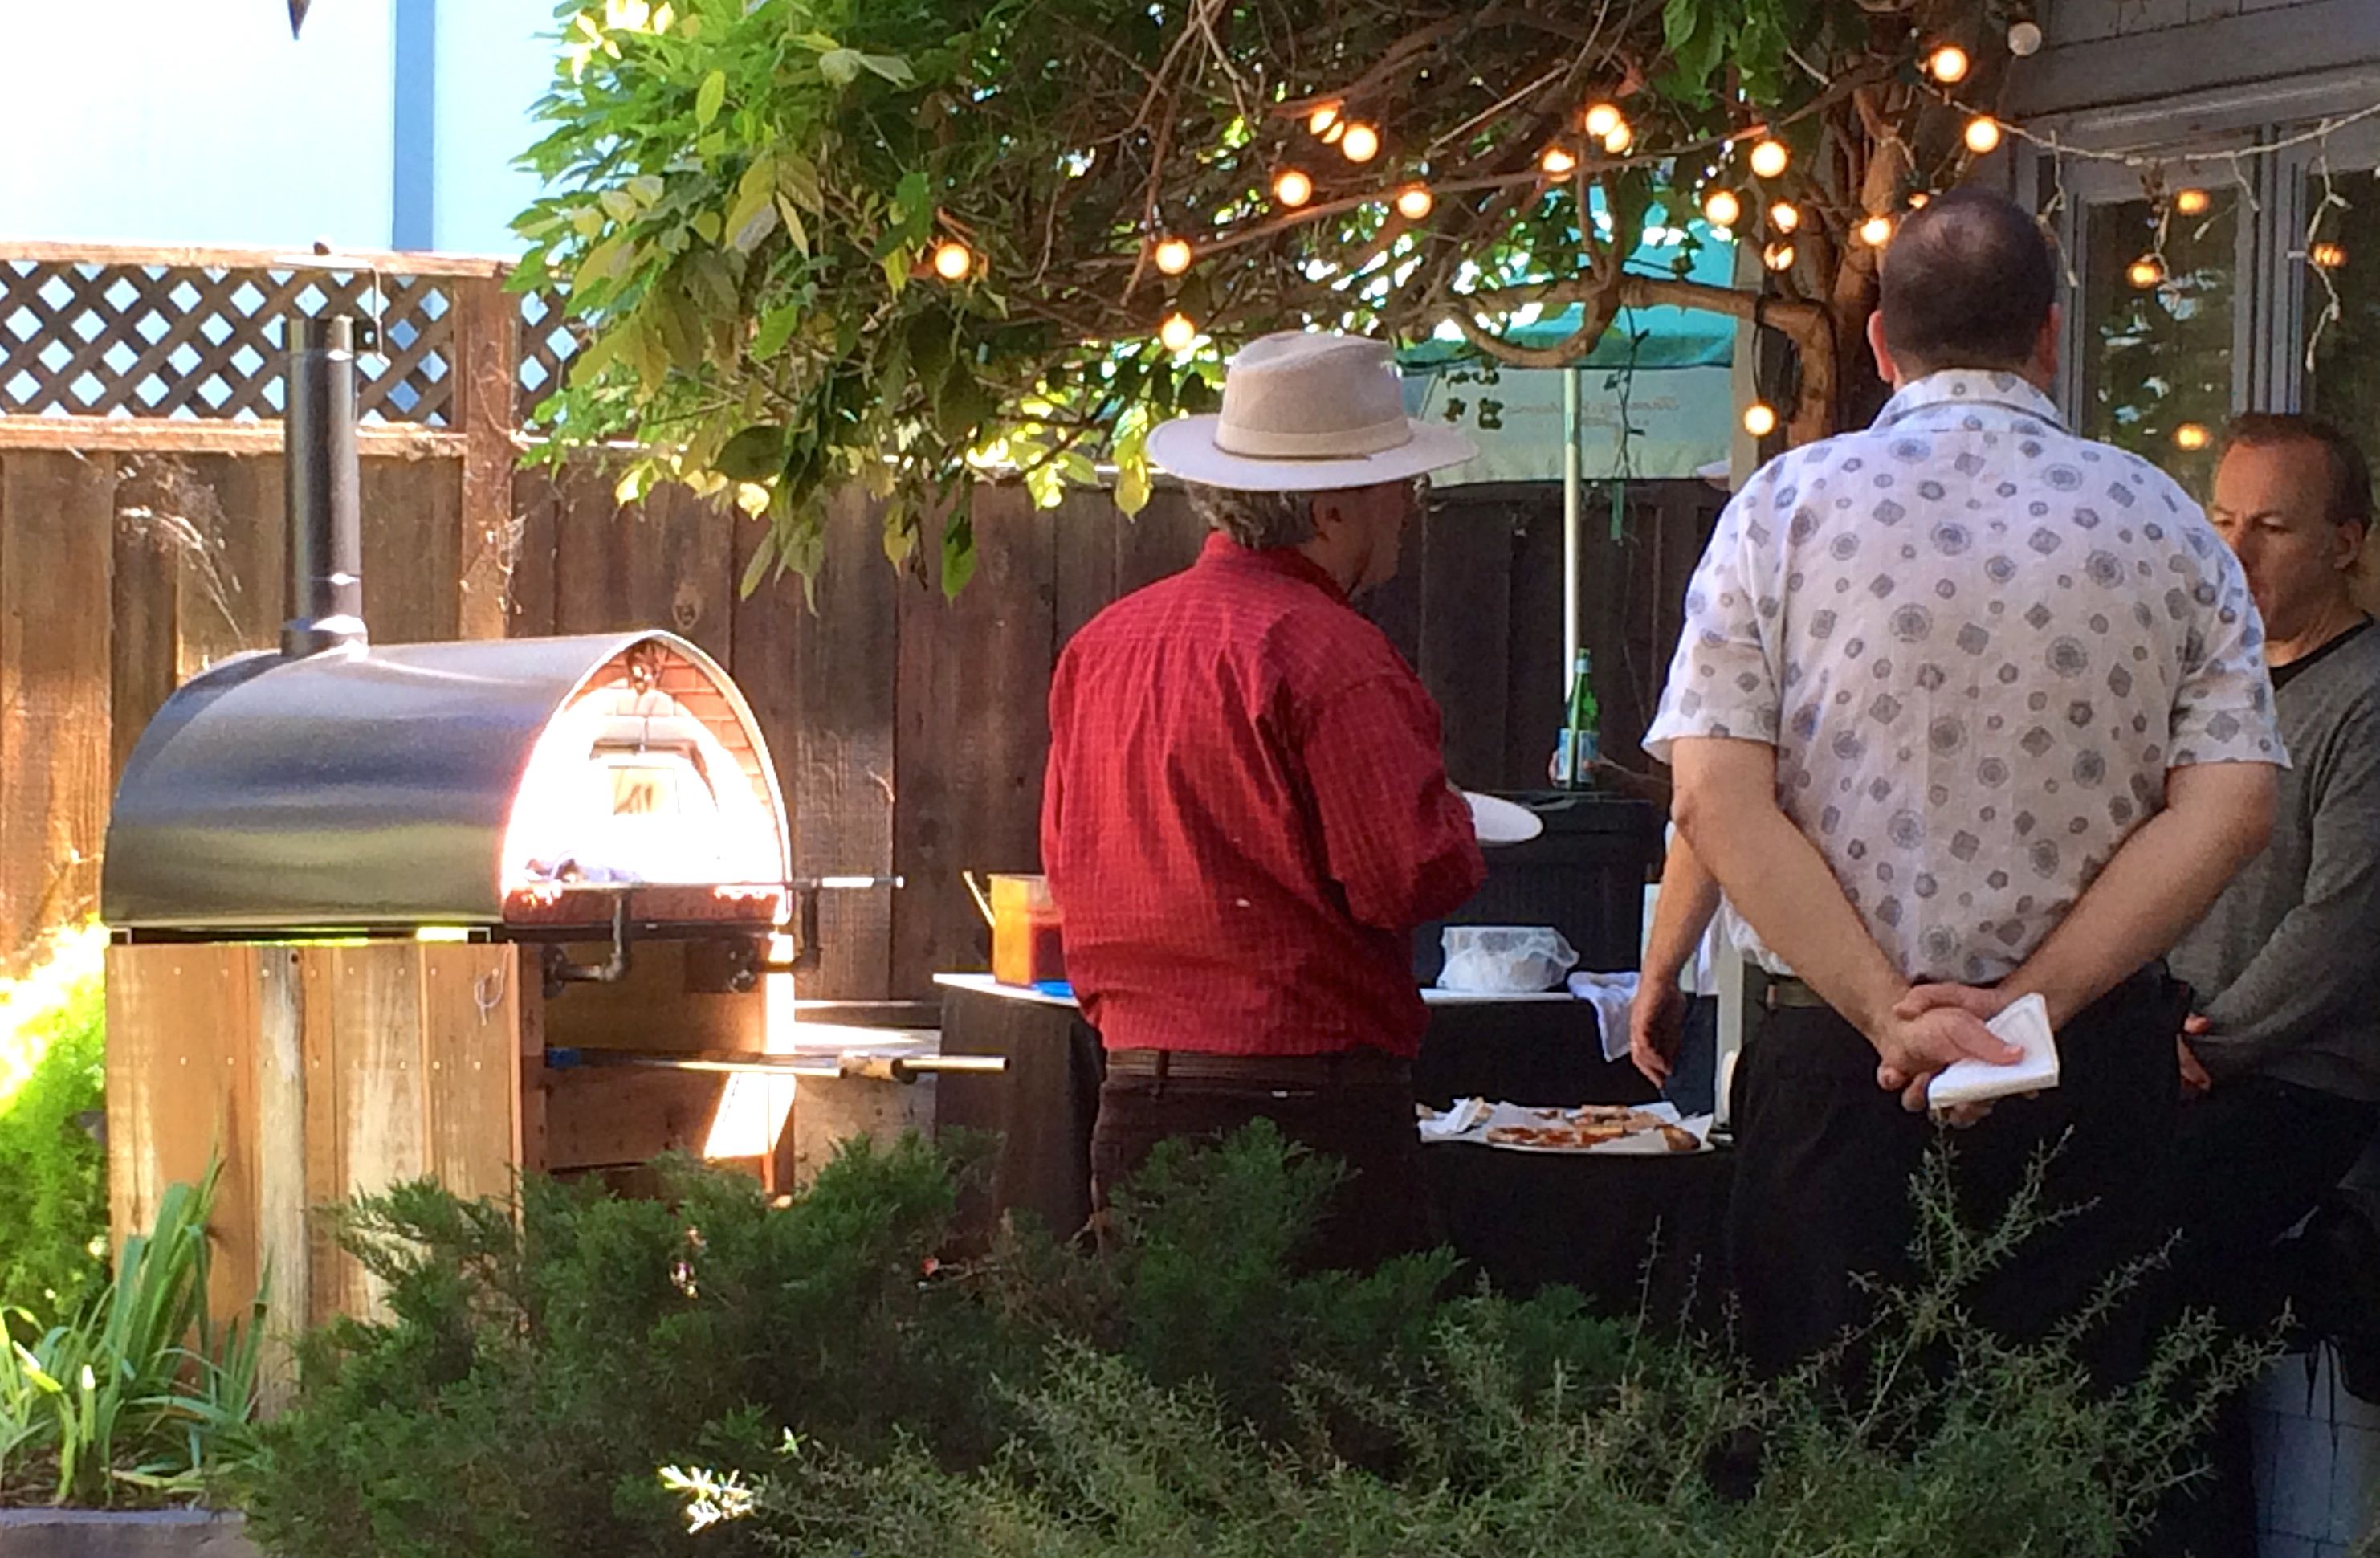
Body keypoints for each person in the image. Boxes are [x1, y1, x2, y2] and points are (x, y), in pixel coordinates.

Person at [1641, 189, 2283, 1377]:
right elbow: (2234, 804)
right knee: (2063, 1446)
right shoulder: (2168, 521)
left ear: (1881, 341)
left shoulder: (1780, 509)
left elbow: (1710, 799)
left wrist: (1891, 1013)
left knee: (1823, 1442)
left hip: (1837, 1068)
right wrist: (2022, 1014)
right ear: (2050, 335)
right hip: (2083, 1067)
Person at [1040, 330, 1486, 1271]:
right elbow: (1406, 874)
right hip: (1310, 1108)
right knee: (1342, 1365)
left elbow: (1070, 865)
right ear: (1332, 510)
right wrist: (1451, 815)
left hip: (1138, 1096)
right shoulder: (1331, 653)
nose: (1409, 504)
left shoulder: (1104, 645)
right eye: (1395, 482)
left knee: (1168, 1362)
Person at [2159, 414, 2380, 1556]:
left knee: (2148, 1277)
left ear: (2346, 540)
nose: (2237, 553)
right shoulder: (2207, 683)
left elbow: (2344, 927)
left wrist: (2210, 1044)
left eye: (2274, 528)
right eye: (2223, 520)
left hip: (2303, 1084)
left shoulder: (2368, 699)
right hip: (2175, 1059)